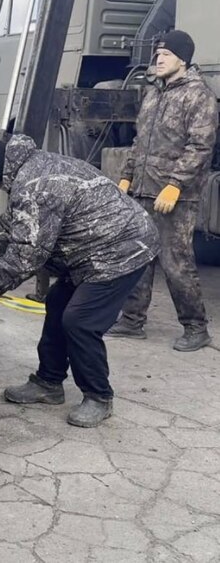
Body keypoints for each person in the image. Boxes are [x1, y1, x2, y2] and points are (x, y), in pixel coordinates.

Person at [0, 135, 160, 427]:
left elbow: (25, 257)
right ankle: (49, 382)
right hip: (93, 248)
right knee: (57, 303)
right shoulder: (31, 165)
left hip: (124, 248)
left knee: (80, 320)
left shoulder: (36, 186)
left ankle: (98, 396)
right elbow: (11, 224)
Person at [107, 30, 218, 352]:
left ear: (183, 59)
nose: (158, 59)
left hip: (175, 196)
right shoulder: (154, 93)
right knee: (138, 256)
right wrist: (127, 177)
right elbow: (140, 141)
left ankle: (196, 328)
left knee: (176, 263)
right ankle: (132, 321)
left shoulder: (198, 95)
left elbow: (200, 147)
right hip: (143, 189)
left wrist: (175, 184)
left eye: (166, 54)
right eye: (157, 53)